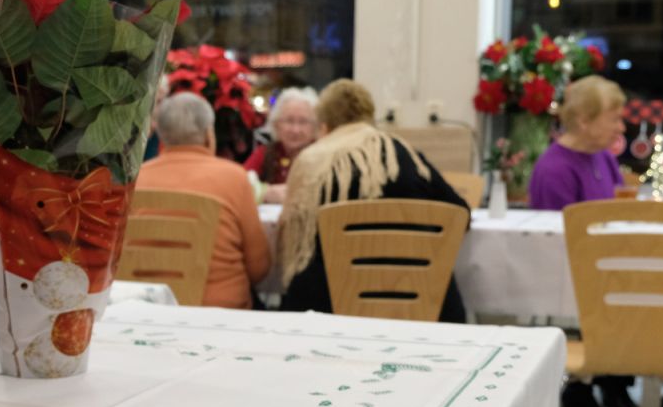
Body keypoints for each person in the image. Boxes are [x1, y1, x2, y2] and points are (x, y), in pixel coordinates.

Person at [278, 79, 470, 319]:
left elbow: (292, 240)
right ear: (369, 117)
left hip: (328, 309)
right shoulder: (403, 153)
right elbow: (460, 215)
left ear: (324, 126)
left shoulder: (311, 162)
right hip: (423, 305)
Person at [528, 75, 643, 407]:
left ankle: (615, 381)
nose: (621, 127)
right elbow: (558, 241)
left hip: (607, 262)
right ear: (583, 120)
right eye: (614, 118)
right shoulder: (555, 168)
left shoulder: (603, 157)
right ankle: (583, 389)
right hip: (573, 273)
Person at [136, 93, 271, 310]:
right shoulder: (234, 178)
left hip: (149, 307)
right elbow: (259, 267)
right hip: (222, 309)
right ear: (209, 134)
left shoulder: (136, 179)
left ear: (161, 135)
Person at [243, 87, 320, 204]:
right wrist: (265, 192)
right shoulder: (266, 152)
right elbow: (239, 182)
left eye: (303, 121)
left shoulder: (322, 155)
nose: (295, 130)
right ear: (276, 124)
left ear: (315, 126)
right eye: (289, 121)